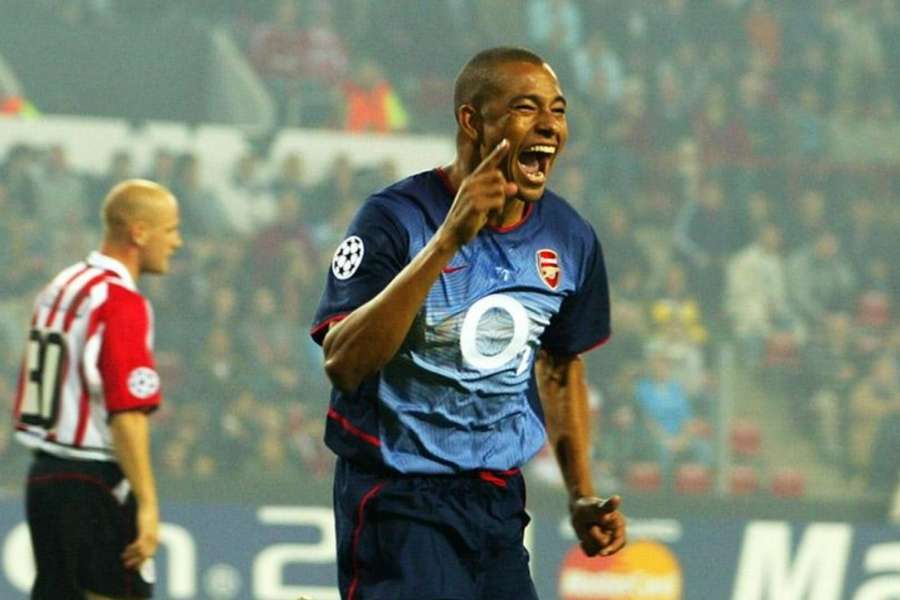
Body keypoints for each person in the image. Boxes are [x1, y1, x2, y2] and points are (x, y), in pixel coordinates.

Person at [310, 47, 626, 599]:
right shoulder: (395, 218)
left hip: (497, 503)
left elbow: (558, 364)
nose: (550, 125)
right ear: (472, 120)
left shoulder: (570, 238)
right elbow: (343, 362)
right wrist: (447, 242)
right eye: (527, 108)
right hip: (398, 497)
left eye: (558, 109)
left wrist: (580, 494)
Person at [12, 179, 182, 599]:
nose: (176, 242)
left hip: (44, 477)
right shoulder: (120, 302)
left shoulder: (63, 285)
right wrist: (147, 502)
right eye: (171, 229)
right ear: (139, 232)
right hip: (94, 481)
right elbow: (126, 412)